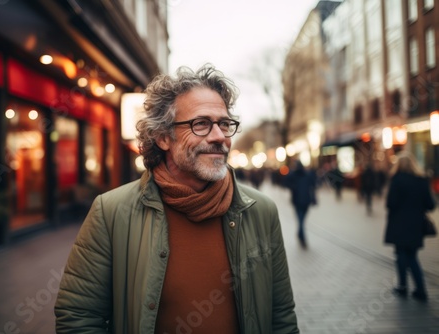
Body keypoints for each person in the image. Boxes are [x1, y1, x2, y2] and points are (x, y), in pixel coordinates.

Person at [54, 64, 299, 333]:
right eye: (201, 124)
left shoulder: (260, 211)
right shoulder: (111, 212)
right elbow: (78, 316)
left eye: (225, 124)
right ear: (162, 137)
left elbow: (281, 316)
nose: (219, 137)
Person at [384, 151, 436, 302]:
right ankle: (420, 289)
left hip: (399, 224)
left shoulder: (397, 180)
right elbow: (430, 205)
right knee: (412, 256)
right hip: (416, 225)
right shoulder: (422, 181)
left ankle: (403, 286)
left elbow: (390, 204)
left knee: (400, 255)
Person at [285, 160, 317, 248]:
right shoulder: (305, 174)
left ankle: (300, 234)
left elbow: (313, 186)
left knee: (301, 221)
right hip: (302, 201)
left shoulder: (295, 174)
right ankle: (302, 238)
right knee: (301, 221)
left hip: (301, 201)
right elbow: (313, 187)